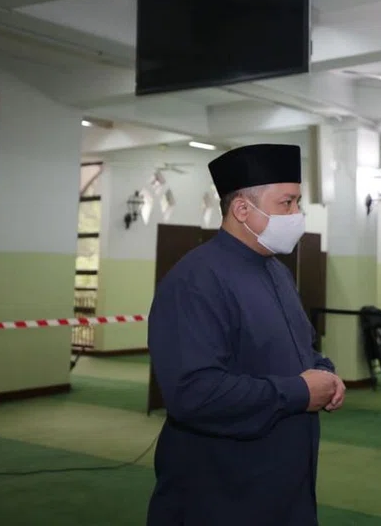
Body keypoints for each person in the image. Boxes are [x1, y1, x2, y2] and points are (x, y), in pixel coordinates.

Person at [146, 143, 344, 526]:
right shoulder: (195, 281)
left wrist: (325, 372)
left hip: (284, 488)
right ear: (242, 209)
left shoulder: (277, 272)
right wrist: (299, 392)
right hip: (221, 495)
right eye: (287, 203)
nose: (296, 215)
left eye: (298, 203)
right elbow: (193, 393)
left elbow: (299, 348)